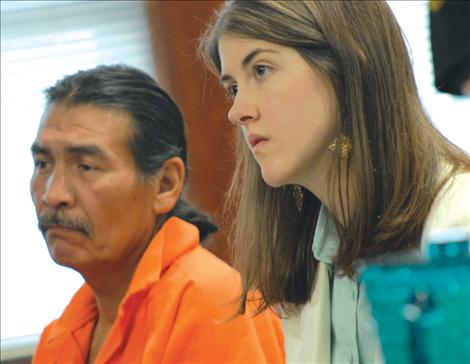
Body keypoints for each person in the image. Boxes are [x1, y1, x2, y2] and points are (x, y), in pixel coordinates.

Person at [199, 1, 470, 363]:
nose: (237, 111)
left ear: (347, 70)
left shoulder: (460, 226)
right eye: (233, 87)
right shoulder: (307, 255)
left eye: (261, 70)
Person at [30, 64, 284, 363]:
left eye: (86, 167)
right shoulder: (61, 335)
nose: (53, 194)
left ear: (165, 184)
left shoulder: (215, 305)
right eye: (43, 164)